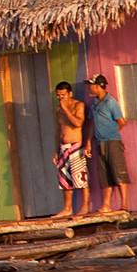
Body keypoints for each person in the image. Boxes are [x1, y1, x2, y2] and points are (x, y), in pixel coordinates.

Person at [86, 74, 130, 213]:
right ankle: (106, 205)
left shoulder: (110, 102)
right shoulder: (94, 103)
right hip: (100, 142)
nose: (90, 88)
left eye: (92, 85)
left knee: (118, 171)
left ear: (99, 86)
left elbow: (121, 121)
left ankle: (124, 205)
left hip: (112, 141)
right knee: (104, 174)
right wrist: (88, 141)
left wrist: (111, 133)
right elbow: (92, 124)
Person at [52, 81, 89, 219]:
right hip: (63, 147)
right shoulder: (58, 110)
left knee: (80, 176)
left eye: (63, 95)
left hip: (76, 145)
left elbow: (78, 123)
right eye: (58, 96)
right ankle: (67, 208)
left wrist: (66, 109)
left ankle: (85, 205)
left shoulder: (78, 105)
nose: (60, 98)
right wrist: (56, 149)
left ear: (69, 94)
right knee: (64, 179)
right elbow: (58, 130)